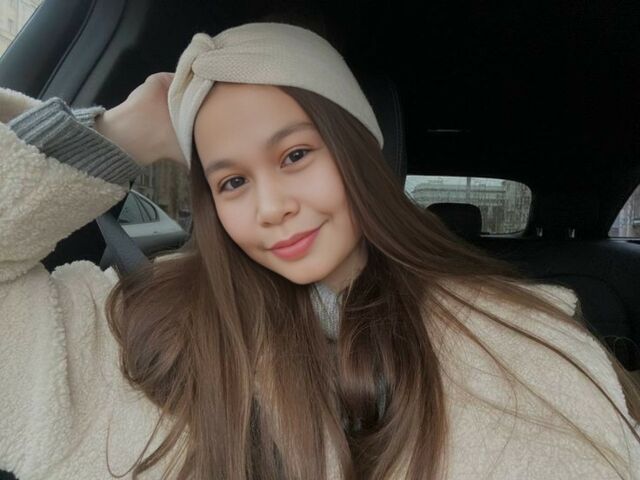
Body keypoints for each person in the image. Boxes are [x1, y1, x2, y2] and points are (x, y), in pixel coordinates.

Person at [0, 21, 639, 480]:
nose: (271, 206)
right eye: (232, 181)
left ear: (361, 151)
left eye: (296, 154)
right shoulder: (135, 328)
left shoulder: (518, 347)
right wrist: (120, 133)